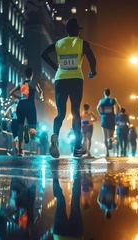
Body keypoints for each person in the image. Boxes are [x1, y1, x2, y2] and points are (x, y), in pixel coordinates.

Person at [41, 17, 97, 158]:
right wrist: (93, 71)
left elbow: (44, 54)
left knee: (60, 113)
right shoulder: (82, 43)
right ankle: (77, 147)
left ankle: (55, 138)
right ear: (78, 31)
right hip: (76, 79)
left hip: (60, 79)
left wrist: (57, 67)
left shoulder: (59, 43)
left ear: (66, 31)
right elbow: (92, 59)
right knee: (75, 112)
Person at [52, 166, 96, 240]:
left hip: (75, 238)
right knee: (61, 202)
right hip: (60, 238)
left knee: (75, 202)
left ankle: (78, 174)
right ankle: (54, 175)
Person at [9, 67, 44, 156]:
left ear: (25, 75)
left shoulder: (21, 84)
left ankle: (20, 150)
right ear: (32, 74)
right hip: (30, 105)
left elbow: (11, 93)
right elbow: (41, 92)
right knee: (33, 128)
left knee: (20, 127)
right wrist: (41, 96)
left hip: (21, 105)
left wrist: (20, 98)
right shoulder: (34, 84)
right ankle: (28, 131)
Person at [96, 88, 120, 157]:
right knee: (111, 135)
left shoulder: (101, 100)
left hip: (104, 118)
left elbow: (97, 108)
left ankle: (107, 151)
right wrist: (116, 115)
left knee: (104, 136)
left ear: (104, 93)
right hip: (111, 118)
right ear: (110, 93)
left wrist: (101, 114)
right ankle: (110, 140)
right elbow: (118, 107)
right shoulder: (113, 100)